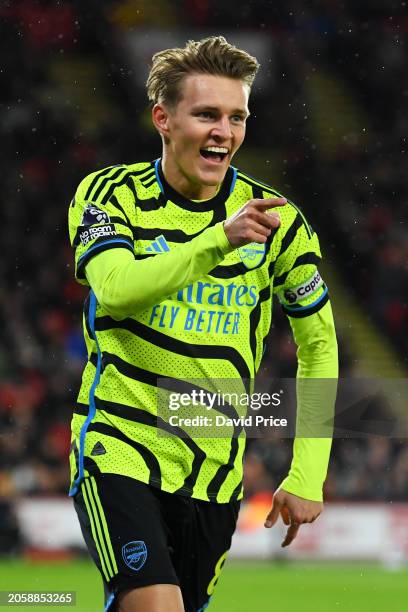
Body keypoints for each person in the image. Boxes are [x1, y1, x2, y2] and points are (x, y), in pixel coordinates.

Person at [68, 36, 338, 612]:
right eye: (207, 114)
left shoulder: (278, 221)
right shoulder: (109, 196)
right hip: (119, 445)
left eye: (237, 116)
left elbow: (319, 345)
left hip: (214, 473)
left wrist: (308, 471)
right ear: (163, 119)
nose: (225, 131)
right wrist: (219, 240)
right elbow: (115, 288)